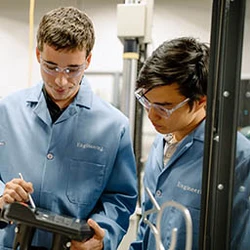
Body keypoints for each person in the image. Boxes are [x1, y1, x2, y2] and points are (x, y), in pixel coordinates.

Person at [0, 6, 137, 250]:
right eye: (50, 66)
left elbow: (119, 198)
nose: (61, 81)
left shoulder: (114, 126)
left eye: (72, 70)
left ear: (88, 60)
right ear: (37, 54)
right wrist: (2, 196)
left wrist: (102, 237)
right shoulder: (7, 111)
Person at [129, 37, 250, 249]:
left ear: (201, 101)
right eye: (146, 102)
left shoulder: (236, 159)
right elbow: (148, 225)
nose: (151, 116)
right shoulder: (161, 143)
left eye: (164, 107)